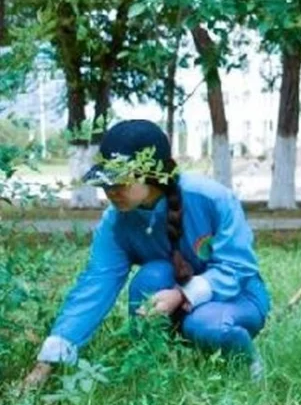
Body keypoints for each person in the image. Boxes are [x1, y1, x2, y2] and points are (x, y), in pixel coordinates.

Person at [21, 120, 271, 390]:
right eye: (106, 183)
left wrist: (183, 295)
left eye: (121, 181)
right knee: (151, 276)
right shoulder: (116, 222)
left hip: (235, 298)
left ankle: (248, 367)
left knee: (204, 324)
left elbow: (238, 267)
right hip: (168, 299)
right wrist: (48, 360)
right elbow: (95, 284)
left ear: (153, 174)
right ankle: (155, 368)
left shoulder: (211, 199)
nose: (111, 191)